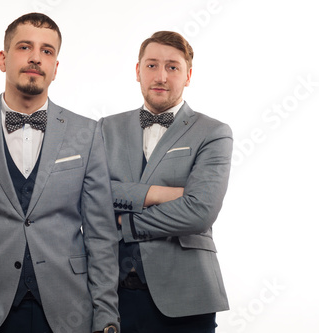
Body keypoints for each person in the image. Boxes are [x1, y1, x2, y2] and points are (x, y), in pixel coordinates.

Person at [0, 13, 120, 333]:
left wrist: (107, 316)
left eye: (47, 51)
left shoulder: (88, 132)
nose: (35, 58)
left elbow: (101, 236)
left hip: (69, 313)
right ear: (2, 59)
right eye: (24, 47)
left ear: (56, 67)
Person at [100, 31, 232, 332]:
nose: (161, 76)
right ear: (137, 71)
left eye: (172, 67)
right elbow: (91, 194)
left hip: (187, 296)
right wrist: (158, 194)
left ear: (188, 76)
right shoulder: (106, 127)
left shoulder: (213, 132)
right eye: (151, 65)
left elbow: (200, 211)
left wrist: (126, 223)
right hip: (112, 295)